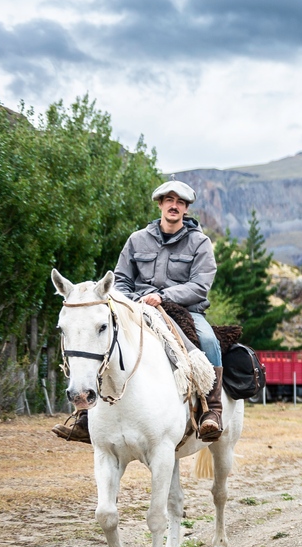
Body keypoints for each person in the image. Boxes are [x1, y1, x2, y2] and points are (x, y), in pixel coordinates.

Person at [52, 179, 226, 443]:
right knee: (106, 341)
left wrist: (163, 296)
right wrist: (135, 300)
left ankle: (212, 410)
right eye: (169, 200)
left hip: (184, 310)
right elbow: (121, 279)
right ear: (160, 204)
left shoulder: (200, 243)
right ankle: (86, 416)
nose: (174, 206)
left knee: (209, 341)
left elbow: (200, 286)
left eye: (180, 202)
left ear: (186, 208)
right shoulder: (137, 240)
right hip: (136, 307)